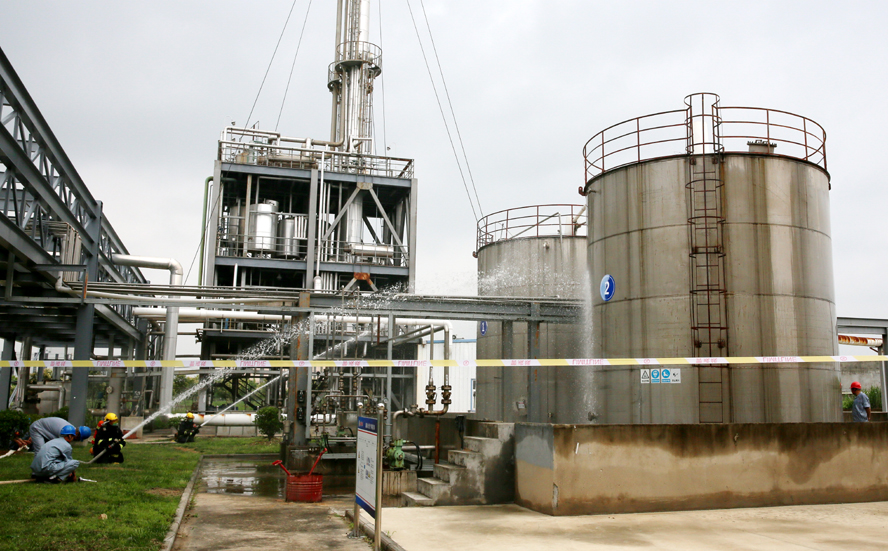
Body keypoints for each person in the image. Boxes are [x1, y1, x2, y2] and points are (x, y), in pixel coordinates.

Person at [20, 417, 91, 454]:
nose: (76, 440)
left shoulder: (70, 430)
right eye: (78, 438)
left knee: (47, 452)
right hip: (37, 428)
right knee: (41, 452)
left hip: (47, 431)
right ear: (77, 434)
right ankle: (37, 473)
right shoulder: (64, 432)